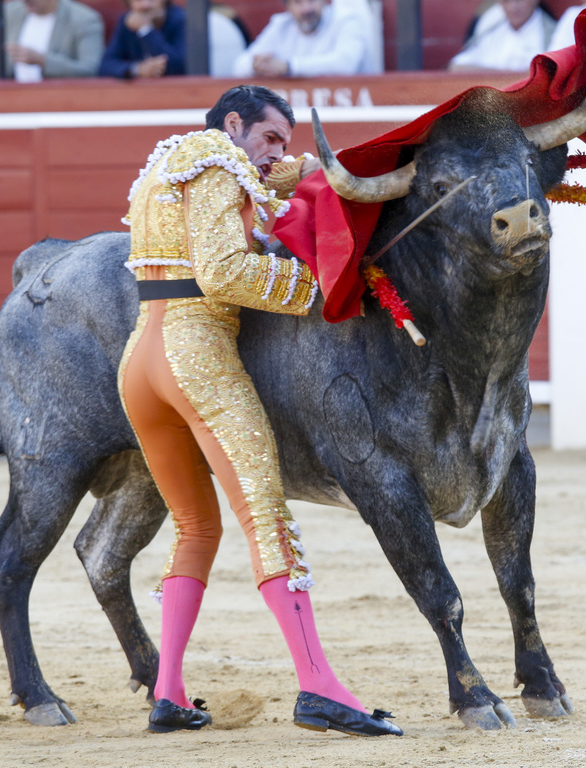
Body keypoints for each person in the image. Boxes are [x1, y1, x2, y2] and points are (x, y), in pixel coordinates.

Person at [119, 84, 403, 738]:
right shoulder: (219, 161)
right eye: (272, 137)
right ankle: (318, 687)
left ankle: (168, 692)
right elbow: (222, 272)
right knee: (264, 517)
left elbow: (248, 200)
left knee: (195, 527)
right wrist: (318, 289)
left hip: (141, 362)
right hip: (197, 355)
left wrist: (295, 172)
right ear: (235, 123)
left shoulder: (165, 166)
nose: (280, 150)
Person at [231, 0, 372, 78]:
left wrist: (288, 67)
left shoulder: (346, 21)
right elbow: (239, 66)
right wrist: (256, 65)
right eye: (298, 1)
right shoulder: (281, 25)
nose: (307, 9)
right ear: (287, 6)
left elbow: (345, 64)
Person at [449, 0, 555, 73]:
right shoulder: (491, 28)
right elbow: (457, 66)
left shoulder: (551, 33)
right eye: (506, 0)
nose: (513, 7)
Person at [99, 0, 184, 79]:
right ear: (128, 0)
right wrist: (137, 69)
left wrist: (146, 30)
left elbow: (179, 66)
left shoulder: (181, 20)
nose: (145, 5)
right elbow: (105, 66)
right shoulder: (126, 22)